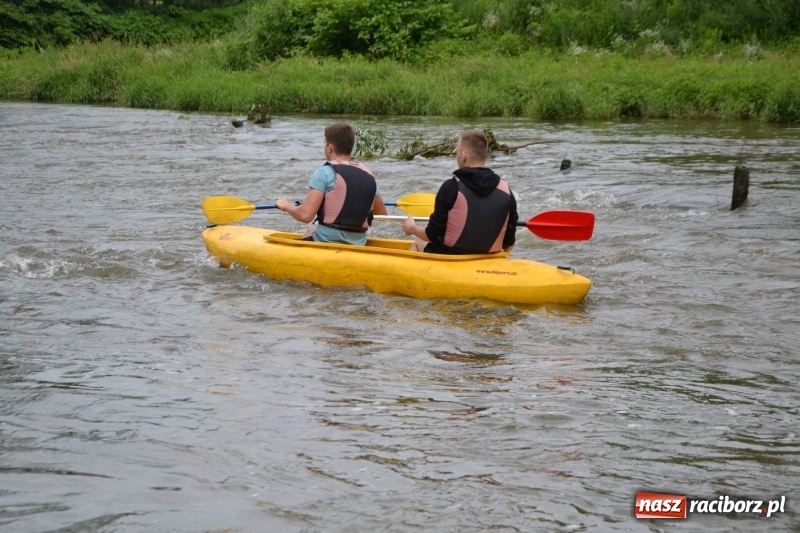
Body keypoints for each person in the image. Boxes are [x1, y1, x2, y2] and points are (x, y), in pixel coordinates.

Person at [403, 129, 518, 254]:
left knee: (418, 241)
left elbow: (433, 235)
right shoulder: (506, 191)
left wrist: (412, 228)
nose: (457, 156)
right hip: (488, 257)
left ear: (463, 156)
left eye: (457, 152)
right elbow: (508, 245)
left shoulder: (451, 187)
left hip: (452, 256)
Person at [276, 123, 387, 245]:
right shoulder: (368, 173)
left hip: (326, 241)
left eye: (325, 143)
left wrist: (286, 205)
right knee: (312, 229)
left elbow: (305, 216)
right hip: (358, 244)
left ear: (330, 147)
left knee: (310, 230)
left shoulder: (324, 173)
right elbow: (382, 215)